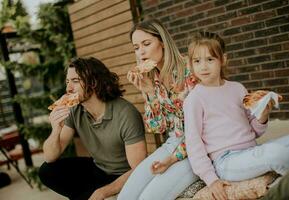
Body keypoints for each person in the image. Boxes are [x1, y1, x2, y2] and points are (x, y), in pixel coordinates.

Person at [184, 31, 289, 200]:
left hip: (252, 150)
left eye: (210, 59)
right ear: (191, 64)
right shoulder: (194, 99)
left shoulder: (237, 88)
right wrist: (212, 180)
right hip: (226, 162)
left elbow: (254, 131)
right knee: (277, 153)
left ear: (223, 59)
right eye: (197, 61)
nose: (203, 66)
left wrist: (262, 116)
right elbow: (194, 144)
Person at [38, 57, 147, 200]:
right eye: (67, 82)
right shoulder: (74, 109)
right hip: (98, 169)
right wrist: (55, 130)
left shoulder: (126, 114)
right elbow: (49, 157)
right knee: (47, 171)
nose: (68, 88)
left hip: (122, 175)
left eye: (75, 81)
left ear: (94, 83)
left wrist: (104, 192)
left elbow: (139, 170)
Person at [117, 19, 199, 200]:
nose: (141, 52)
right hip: (172, 143)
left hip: (198, 149)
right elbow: (158, 128)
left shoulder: (191, 70)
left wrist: (171, 160)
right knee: (125, 197)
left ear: (162, 42)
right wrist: (150, 93)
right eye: (136, 47)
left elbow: (203, 128)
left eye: (146, 44)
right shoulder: (151, 78)